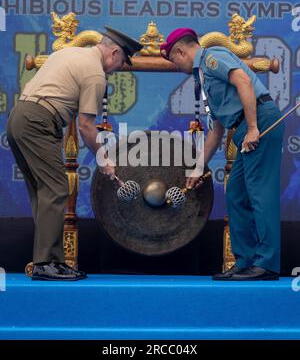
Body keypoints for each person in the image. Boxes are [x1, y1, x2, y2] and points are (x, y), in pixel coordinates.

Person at [6, 27, 143, 281]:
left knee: (43, 191)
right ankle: (46, 262)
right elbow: (86, 126)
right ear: (114, 53)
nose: (118, 69)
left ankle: (51, 261)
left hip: (19, 117)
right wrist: (103, 159)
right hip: (38, 122)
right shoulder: (95, 74)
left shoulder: (70, 53)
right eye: (121, 63)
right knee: (57, 189)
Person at [160, 28, 284, 281]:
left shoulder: (212, 57)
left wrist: (252, 128)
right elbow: (216, 132)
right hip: (242, 130)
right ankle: (245, 261)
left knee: (260, 193)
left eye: (173, 59)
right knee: (237, 194)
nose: (175, 65)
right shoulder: (203, 77)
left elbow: (243, 80)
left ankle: (267, 264)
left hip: (259, 121)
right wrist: (197, 169)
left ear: (181, 51)